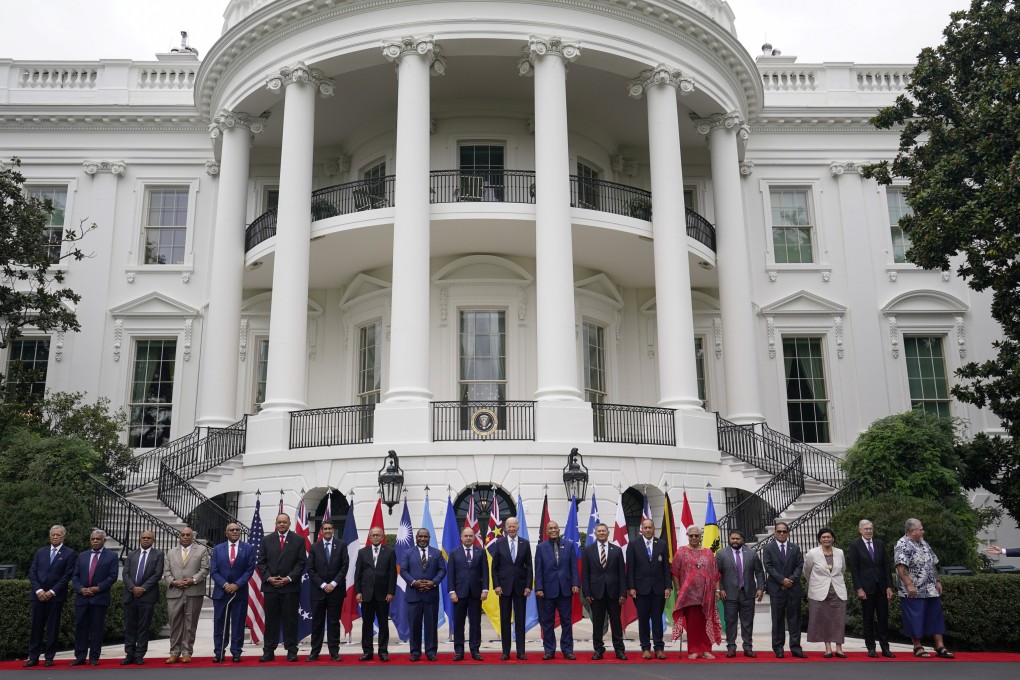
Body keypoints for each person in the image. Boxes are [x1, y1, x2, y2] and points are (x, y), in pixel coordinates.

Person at [895, 518, 954, 658]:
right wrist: (909, 585)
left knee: (936, 617)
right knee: (915, 618)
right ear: (912, 530)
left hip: (930, 588)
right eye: (920, 529)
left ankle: (940, 647)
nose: (923, 531)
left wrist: (937, 580)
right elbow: (901, 566)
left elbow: (932, 563)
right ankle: (918, 646)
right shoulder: (902, 544)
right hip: (914, 590)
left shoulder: (924, 543)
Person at [257, 513, 307, 662]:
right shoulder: (266, 540)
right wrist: (269, 578)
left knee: (290, 621)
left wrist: (289, 578)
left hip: (290, 587)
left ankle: (291, 650)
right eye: (279, 522)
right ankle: (269, 651)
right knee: (271, 621)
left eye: (285, 522)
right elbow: (261, 562)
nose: (282, 524)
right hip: (271, 587)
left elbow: (301, 562)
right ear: (276, 523)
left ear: (289, 523)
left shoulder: (298, 540)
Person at [25, 525, 76, 667]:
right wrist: (39, 591)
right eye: (53, 534)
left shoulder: (69, 553)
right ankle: (33, 657)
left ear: (63, 537)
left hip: (55, 597)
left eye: (58, 535)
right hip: (37, 596)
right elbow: (33, 572)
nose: (55, 537)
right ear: (49, 536)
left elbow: (67, 576)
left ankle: (49, 657)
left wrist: (52, 592)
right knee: (36, 627)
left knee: (53, 627)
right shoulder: (41, 552)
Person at [670, 525, 722, 659]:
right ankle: (693, 649)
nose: (694, 538)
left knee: (706, 621)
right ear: (688, 536)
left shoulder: (708, 553)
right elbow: (674, 572)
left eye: (696, 535)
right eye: (691, 535)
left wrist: (717, 590)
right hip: (689, 595)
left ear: (700, 537)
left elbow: (715, 573)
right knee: (693, 623)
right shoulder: (681, 552)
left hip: (707, 595)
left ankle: (706, 650)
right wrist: (678, 588)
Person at [70, 530, 119, 666]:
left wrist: (98, 588)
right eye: (93, 539)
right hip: (82, 598)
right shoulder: (82, 556)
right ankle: (80, 656)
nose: (95, 541)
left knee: (97, 628)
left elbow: (113, 576)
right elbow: (75, 575)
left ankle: (94, 657)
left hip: (99, 598)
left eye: (98, 539)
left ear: (104, 541)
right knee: (81, 627)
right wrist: (80, 589)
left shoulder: (112, 556)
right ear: (90, 540)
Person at [847, 519, 895, 658]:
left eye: (870, 529)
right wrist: (859, 588)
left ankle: (885, 648)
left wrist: (889, 586)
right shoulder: (855, 545)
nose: (869, 531)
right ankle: (871, 648)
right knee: (868, 619)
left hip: (881, 587)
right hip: (866, 589)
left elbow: (886, 566)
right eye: (866, 529)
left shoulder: (879, 544)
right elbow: (854, 569)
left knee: (883, 619)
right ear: (860, 530)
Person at [210, 523, 256, 663]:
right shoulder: (218, 549)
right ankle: (219, 652)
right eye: (232, 530)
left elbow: (249, 570)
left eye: (237, 530)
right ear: (226, 533)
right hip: (221, 593)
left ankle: (236, 652)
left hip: (239, 592)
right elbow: (214, 571)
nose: (235, 532)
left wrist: (237, 584)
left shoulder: (248, 548)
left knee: (238, 623)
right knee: (219, 623)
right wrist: (225, 584)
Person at [398, 527, 446, 662]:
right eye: (420, 536)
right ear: (416, 538)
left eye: (425, 537)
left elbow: (442, 570)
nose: (423, 539)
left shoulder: (437, 553)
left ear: (429, 538)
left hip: (431, 595)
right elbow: (403, 571)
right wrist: (414, 583)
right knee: (414, 625)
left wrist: (433, 582)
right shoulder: (408, 553)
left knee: (431, 625)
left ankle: (431, 652)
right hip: (414, 594)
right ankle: (415, 652)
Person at [163, 527, 210, 664]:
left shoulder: (201, 550)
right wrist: (173, 581)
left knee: (190, 624)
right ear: (179, 536)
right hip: (174, 592)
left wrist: (193, 580)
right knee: (175, 624)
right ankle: (174, 653)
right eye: (182, 535)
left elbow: (205, 569)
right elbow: (166, 572)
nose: (185, 537)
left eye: (188, 535)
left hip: (193, 591)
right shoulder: (171, 552)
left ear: (193, 537)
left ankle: (187, 652)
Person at [626, 518, 671, 660]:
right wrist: (631, 587)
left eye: (650, 527)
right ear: (641, 529)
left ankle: (659, 648)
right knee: (644, 620)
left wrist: (668, 586)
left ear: (654, 528)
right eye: (645, 527)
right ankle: (645, 648)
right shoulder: (633, 545)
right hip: (640, 590)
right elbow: (630, 568)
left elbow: (666, 568)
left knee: (658, 619)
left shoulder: (662, 544)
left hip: (658, 589)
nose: (647, 530)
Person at [581, 522, 627, 660]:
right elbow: (586, 574)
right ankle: (598, 649)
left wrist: (622, 593)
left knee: (616, 623)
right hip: (596, 593)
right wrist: (587, 593)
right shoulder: (588, 550)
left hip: (614, 593)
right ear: (595, 533)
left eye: (603, 531)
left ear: (608, 533)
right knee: (598, 623)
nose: (601, 533)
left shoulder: (617, 550)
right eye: (599, 531)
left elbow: (621, 574)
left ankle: (619, 650)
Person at [715, 529, 764, 658]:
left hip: (747, 594)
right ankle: (731, 647)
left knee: (747, 622)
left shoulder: (752, 553)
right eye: (733, 539)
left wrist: (760, 588)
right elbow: (716, 574)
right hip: (729, 594)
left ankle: (747, 647)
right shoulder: (721, 554)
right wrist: (720, 589)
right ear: (729, 539)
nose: (735, 541)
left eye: (737, 539)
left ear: (742, 540)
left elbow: (759, 572)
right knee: (730, 622)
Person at [534, 520, 580, 660]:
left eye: (555, 527)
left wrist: (575, 584)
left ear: (559, 530)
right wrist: (539, 587)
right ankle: (549, 650)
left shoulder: (569, 545)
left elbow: (573, 567)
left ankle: (567, 650)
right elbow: (539, 569)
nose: (553, 530)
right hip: (547, 591)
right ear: (547, 532)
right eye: (550, 528)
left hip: (565, 590)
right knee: (547, 622)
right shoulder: (541, 547)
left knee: (566, 622)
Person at [490, 516, 533, 660]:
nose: (512, 528)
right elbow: (494, 567)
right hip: (504, 588)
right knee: (505, 620)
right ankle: (506, 652)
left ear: (518, 527)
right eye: (509, 526)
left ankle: (521, 651)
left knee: (520, 619)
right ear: (505, 528)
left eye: (514, 526)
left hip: (521, 588)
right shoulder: (499, 543)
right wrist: (496, 585)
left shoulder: (525, 544)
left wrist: (528, 585)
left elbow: (529, 567)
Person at [761, 522, 806, 658]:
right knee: (778, 620)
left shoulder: (795, 548)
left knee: (794, 620)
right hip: (776, 589)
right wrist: (782, 580)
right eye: (779, 531)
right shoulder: (768, 548)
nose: (781, 534)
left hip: (793, 589)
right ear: (774, 533)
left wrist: (790, 580)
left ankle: (796, 648)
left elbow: (799, 565)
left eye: (784, 531)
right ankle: (778, 648)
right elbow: (768, 566)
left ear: (788, 533)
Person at [306, 520, 349, 662]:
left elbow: (344, 566)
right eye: (325, 529)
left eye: (330, 528)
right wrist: (324, 585)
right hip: (318, 592)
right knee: (317, 623)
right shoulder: (314, 547)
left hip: (336, 591)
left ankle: (334, 652)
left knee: (334, 622)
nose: (328, 531)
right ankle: (314, 652)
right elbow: (310, 569)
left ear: (333, 530)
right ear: (321, 531)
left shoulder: (341, 545)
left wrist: (333, 584)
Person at [121, 530, 165, 665]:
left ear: (153, 540)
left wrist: (143, 588)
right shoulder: (132, 554)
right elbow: (125, 573)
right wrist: (132, 588)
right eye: (143, 537)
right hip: (130, 595)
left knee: (143, 627)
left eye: (148, 538)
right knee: (130, 626)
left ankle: (139, 654)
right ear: (140, 539)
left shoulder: (158, 554)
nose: (145, 540)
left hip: (147, 596)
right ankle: (129, 654)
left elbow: (157, 574)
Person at [354, 526, 397, 661]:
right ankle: (367, 652)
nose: (376, 537)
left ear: (382, 537)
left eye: (378, 535)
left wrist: (391, 591)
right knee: (367, 624)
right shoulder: (362, 552)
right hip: (366, 594)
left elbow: (393, 574)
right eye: (373, 535)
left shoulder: (390, 552)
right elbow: (358, 574)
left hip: (383, 594)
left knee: (383, 623)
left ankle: (383, 651)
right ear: (369, 536)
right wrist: (358, 592)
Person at [803, 527, 848, 658]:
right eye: (823, 537)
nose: (826, 539)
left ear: (833, 539)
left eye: (829, 537)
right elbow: (807, 571)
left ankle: (839, 648)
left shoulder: (840, 552)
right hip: (819, 591)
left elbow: (842, 570)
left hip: (837, 590)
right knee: (824, 619)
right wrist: (817, 582)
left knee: (838, 619)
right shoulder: (812, 553)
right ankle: (828, 648)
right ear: (819, 539)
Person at [448, 526, 488, 661]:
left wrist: (485, 589)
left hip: (476, 594)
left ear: (474, 537)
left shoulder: (481, 552)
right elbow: (451, 574)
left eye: (471, 536)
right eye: (466, 536)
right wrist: (452, 591)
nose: (469, 538)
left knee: (475, 623)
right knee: (459, 623)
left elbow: (485, 572)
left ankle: (475, 650)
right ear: (461, 538)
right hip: (459, 594)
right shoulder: (454, 553)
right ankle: (459, 651)